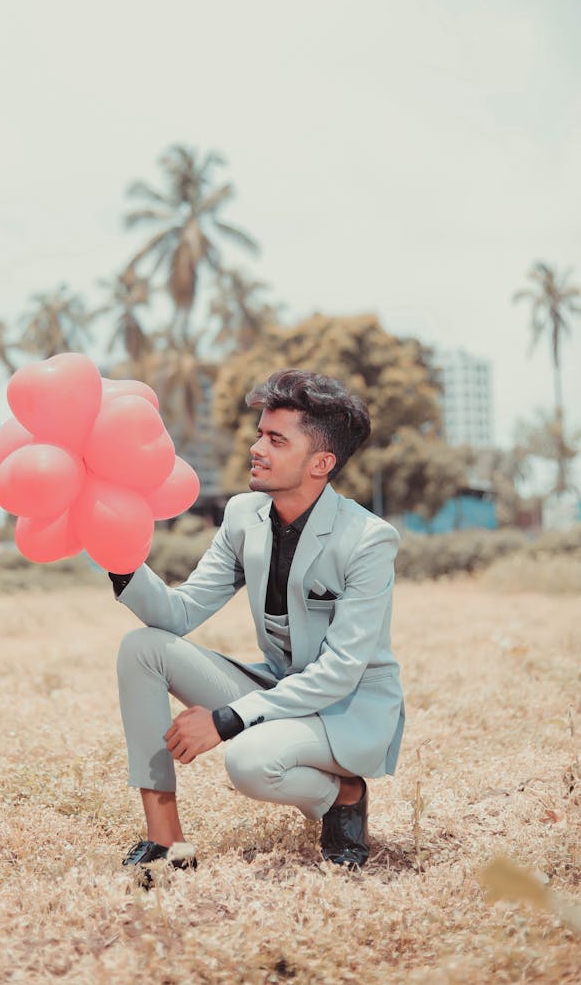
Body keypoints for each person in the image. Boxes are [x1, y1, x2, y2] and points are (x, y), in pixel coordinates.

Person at [109, 368, 405, 877]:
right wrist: (119, 555)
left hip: (347, 708)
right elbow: (177, 615)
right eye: (259, 434)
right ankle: (165, 841)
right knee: (142, 647)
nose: (256, 448)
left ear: (321, 462)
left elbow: (339, 674)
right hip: (280, 687)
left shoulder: (368, 539)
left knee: (247, 761)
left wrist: (226, 720)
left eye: (275, 439)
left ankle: (346, 793)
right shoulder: (244, 516)